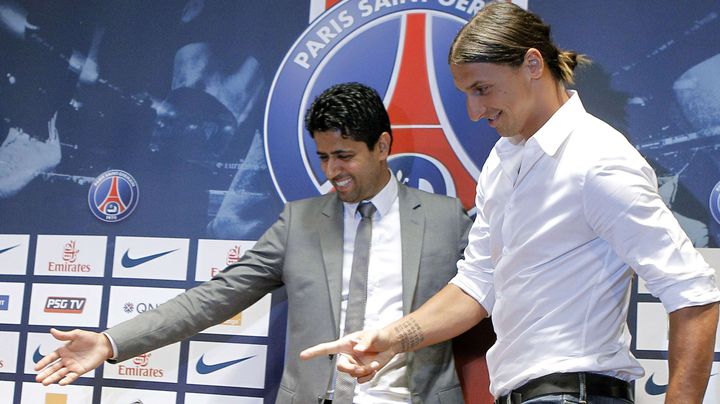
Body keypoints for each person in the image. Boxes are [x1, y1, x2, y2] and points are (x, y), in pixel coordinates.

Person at [300, 4, 720, 404]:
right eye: (467, 92)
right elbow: (477, 284)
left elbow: (694, 296)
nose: (474, 110)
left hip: (575, 391)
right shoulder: (503, 161)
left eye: (481, 89)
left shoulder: (599, 160)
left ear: (533, 65)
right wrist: (393, 337)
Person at [34, 82, 472, 404]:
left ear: (382, 146)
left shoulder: (445, 218)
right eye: (323, 157)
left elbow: (491, 294)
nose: (331, 171)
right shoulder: (299, 222)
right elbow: (212, 297)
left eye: (344, 156)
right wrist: (111, 341)